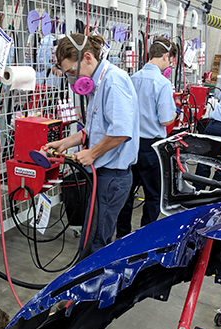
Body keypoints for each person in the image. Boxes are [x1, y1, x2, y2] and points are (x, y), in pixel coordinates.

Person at [44, 33, 139, 256]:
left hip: (112, 176)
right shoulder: (97, 85)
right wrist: (65, 143)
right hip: (102, 175)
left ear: (87, 57)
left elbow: (121, 132)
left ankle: (91, 288)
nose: (71, 79)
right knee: (91, 236)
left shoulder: (113, 82)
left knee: (95, 244)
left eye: (70, 72)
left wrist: (92, 154)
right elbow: (95, 129)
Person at [115, 37, 177, 239]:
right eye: (170, 60)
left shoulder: (131, 78)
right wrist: (175, 114)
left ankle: (122, 235)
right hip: (152, 148)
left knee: (126, 193)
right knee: (153, 195)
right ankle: (144, 237)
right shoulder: (163, 84)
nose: (169, 65)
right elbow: (167, 120)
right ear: (166, 56)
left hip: (129, 143)